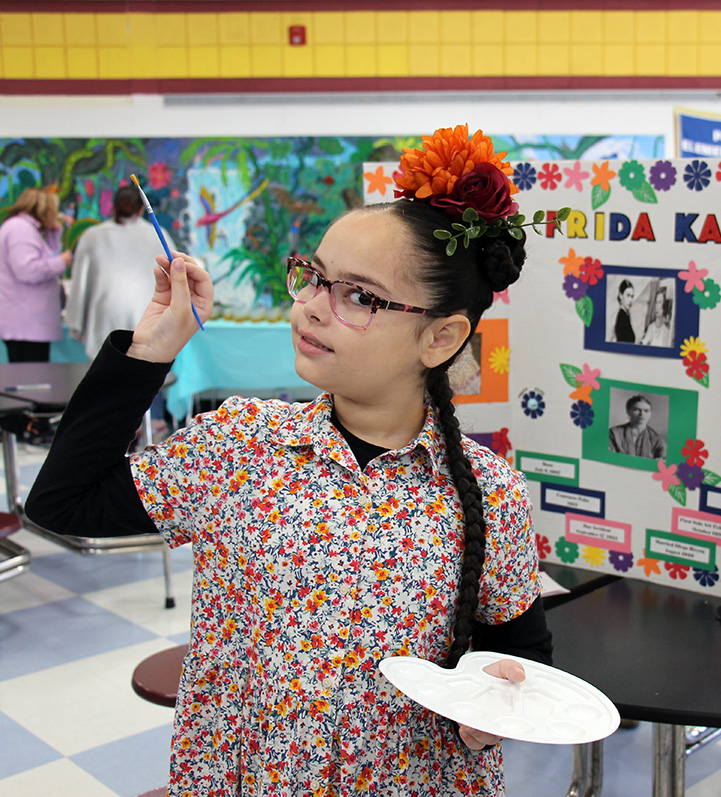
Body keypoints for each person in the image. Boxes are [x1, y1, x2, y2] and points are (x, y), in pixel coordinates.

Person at [27, 125, 552, 796]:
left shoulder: (487, 488)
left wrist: (495, 705)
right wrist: (151, 351)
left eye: (358, 295)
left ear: (440, 337)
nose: (309, 306)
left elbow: (520, 648)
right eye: (314, 277)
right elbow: (62, 501)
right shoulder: (241, 445)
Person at [66, 185, 176, 360]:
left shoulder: (92, 236)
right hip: (149, 315)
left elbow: (79, 284)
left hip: (104, 316)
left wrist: (76, 324)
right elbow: (176, 277)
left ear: (113, 206)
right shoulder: (158, 235)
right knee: (145, 378)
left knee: (106, 379)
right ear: (141, 209)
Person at [0, 187, 73, 362]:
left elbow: (46, 260)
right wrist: (62, 262)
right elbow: (28, 271)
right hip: (26, 325)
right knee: (30, 381)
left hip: (28, 324)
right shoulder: (20, 229)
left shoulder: (23, 228)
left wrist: (54, 235)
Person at [609, 394, 666, 459]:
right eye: (636, 410)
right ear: (628, 411)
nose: (642, 414)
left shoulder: (657, 439)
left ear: (650, 414)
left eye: (646, 411)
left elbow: (662, 461)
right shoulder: (614, 433)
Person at [613, 278, 636, 343]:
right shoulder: (621, 317)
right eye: (628, 295)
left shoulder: (626, 315)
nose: (630, 300)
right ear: (620, 295)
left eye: (632, 296)